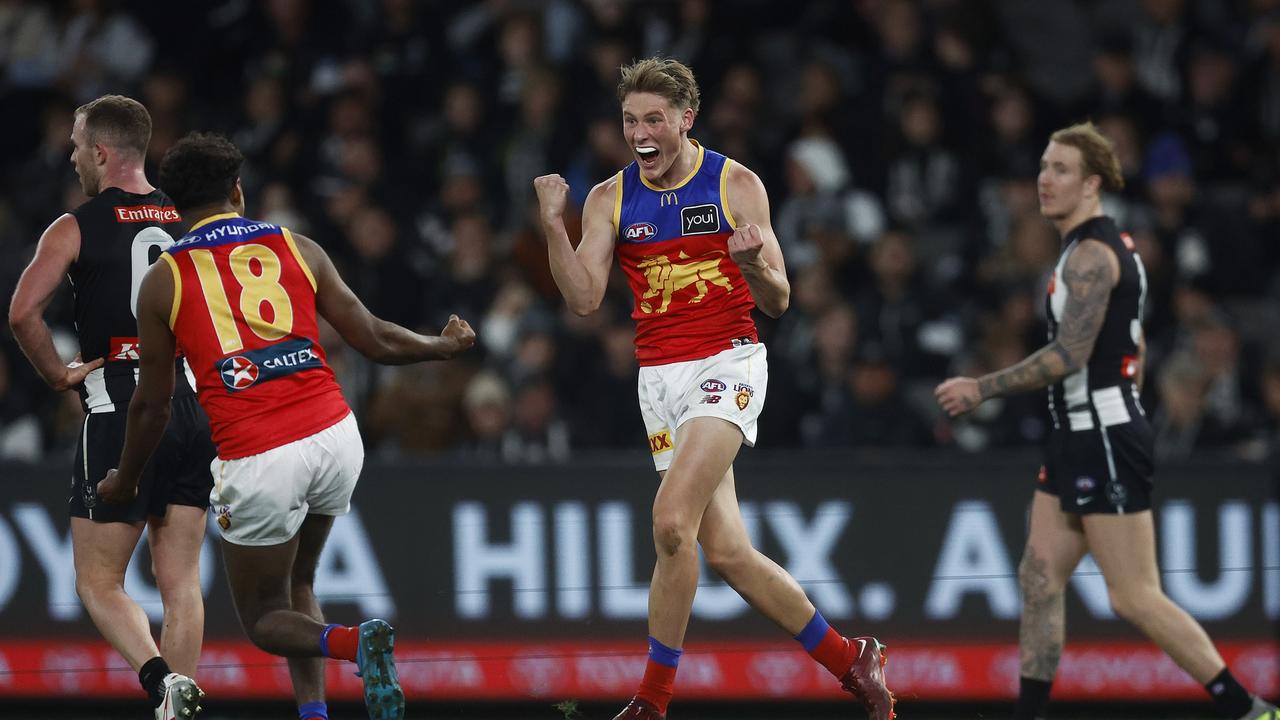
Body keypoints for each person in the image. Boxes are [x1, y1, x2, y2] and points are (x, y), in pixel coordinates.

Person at [533, 57, 895, 720]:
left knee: (671, 521)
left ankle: (652, 699)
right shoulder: (609, 197)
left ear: (685, 119)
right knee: (725, 552)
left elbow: (780, 300)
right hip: (660, 381)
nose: (640, 132)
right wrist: (554, 224)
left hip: (725, 364)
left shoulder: (736, 184)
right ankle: (852, 658)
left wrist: (756, 262)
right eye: (630, 120)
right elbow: (584, 298)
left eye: (654, 119)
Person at [95, 132, 476, 720]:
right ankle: (314, 714)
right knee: (300, 583)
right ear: (238, 192)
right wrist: (442, 346)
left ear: (174, 210)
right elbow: (372, 336)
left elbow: (153, 405)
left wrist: (126, 479)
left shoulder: (165, 279)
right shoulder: (296, 245)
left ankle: (353, 643)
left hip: (260, 454)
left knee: (264, 619)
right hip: (336, 435)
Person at [935, 121, 1277, 720]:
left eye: (1061, 169)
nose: (1045, 179)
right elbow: (1132, 354)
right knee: (1040, 577)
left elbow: (1070, 354)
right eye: (1043, 165)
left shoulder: (1093, 255)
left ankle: (1249, 708)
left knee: (1133, 596)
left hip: (1103, 438)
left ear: (1093, 184)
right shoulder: (1090, 250)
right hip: (1081, 434)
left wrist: (980, 388)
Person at [8, 95, 213, 720]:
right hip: (190, 401)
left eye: (76, 146)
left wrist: (56, 374)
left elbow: (21, 312)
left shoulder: (75, 224)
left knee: (98, 583)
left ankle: (159, 682)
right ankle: (179, 706)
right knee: (181, 582)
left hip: (121, 400)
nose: (71, 157)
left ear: (100, 151)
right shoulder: (189, 219)